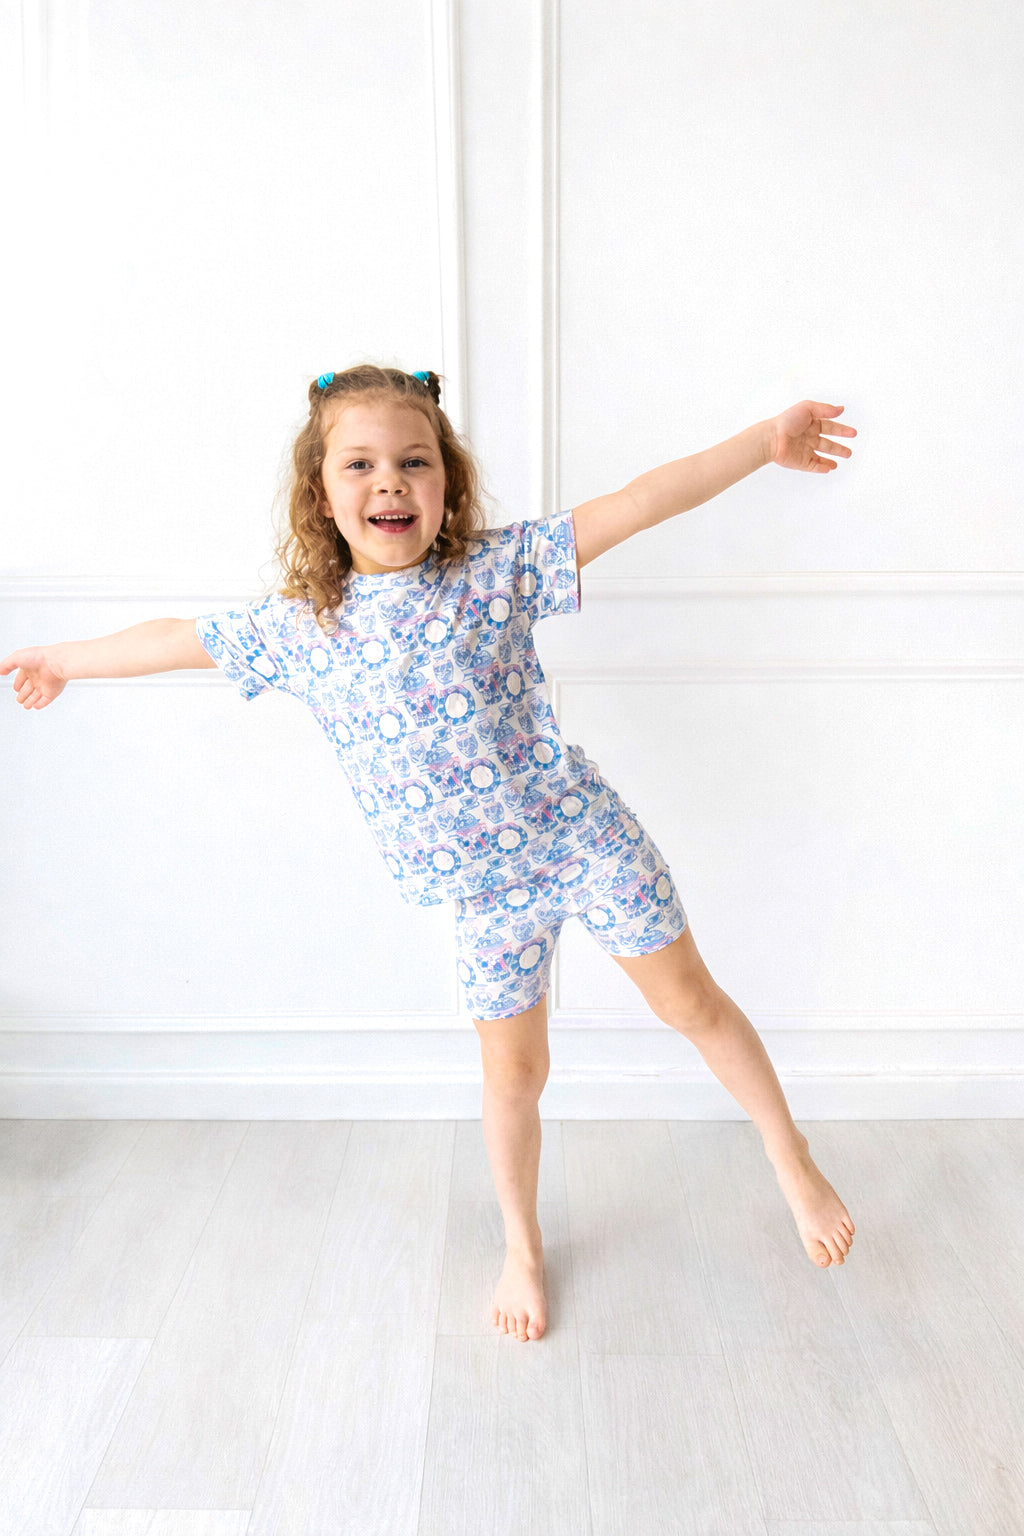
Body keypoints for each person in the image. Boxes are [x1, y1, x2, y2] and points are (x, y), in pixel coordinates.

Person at [2, 362, 858, 1344]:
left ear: (446, 483)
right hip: (483, 897)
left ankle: (790, 1159)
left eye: (413, 462)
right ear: (321, 495)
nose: (389, 482)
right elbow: (172, 638)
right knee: (512, 1078)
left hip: (580, 836)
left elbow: (637, 502)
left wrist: (763, 441)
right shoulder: (304, 631)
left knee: (689, 1003)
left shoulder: (496, 574)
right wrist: (61, 660)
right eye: (359, 464)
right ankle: (521, 1246)